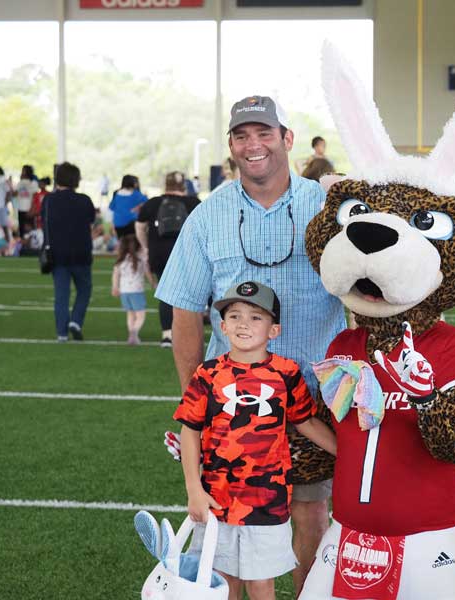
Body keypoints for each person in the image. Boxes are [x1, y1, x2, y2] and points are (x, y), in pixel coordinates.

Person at [155, 95, 346, 595]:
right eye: (241, 136)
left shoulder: (328, 209)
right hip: (234, 408)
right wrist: (196, 400)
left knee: (311, 513)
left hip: (313, 398)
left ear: (286, 139)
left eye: (263, 133)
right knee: (226, 524)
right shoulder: (206, 215)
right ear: (231, 147)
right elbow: (184, 312)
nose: (252, 145)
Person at [175, 280, 337, 600]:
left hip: (268, 501)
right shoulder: (207, 374)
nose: (243, 324)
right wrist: (194, 489)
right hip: (217, 500)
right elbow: (190, 431)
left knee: (262, 585)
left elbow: (306, 422)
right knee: (223, 584)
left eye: (255, 317)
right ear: (221, 326)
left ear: (273, 331)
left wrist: (348, 453)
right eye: (234, 316)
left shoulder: (286, 373)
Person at [135, 171, 201, 347]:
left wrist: (147, 247)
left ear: (166, 184)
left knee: (166, 293)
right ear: (184, 186)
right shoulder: (193, 203)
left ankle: (167, 335)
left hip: (159, 253)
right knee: (188, 294)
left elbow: (140, 228)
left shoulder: (152, 203)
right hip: (187, 254)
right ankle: (188, 334)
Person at [41, 162, 96, 342]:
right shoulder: (85, 200)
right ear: (76, 179)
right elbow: (91, 223)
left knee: (61, 295)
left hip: (57, 254)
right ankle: (76, 321)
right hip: (81, 252)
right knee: (84, 289)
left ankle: (61, 333)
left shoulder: (48, 200)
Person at [111, 234, 156, 345]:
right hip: (137, 291)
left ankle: (131, 334)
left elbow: (115, 275)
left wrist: (115, 287)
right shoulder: (140, 259)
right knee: (141, 315)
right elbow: (148, 273)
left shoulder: (121, 260)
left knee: (130, 314)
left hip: (124, 291)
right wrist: (153, 283)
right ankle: (134, 333)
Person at [14, 165, 39, 234]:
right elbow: (15, 193)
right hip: (21, 208)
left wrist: (32, 209)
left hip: (29, 209)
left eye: (23, 170)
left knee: (30, 229)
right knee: (22, 228)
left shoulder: (33, 183)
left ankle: (31, 243)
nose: (22, 172)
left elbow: (35, 197)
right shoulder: (20, 182)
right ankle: (23, 242)